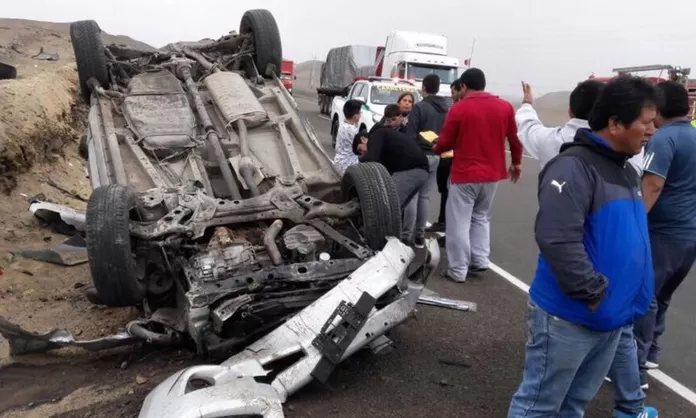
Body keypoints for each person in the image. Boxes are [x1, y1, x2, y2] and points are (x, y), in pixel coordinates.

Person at [507, 75, 659, 418]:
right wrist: (592, 292)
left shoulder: (624, 169)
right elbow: (557, 238)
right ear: (616, 123)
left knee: (575, 404)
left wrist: (633, 297)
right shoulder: (574, 166)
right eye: (646, 123)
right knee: (540, 405)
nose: (652, 131)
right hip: (572, 315)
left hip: (612, 315)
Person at [634, 80, 696, 389]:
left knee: (646, 298)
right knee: (663, 296)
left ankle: (636, 368)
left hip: (662, 233)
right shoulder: (694, 137)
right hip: (689, 235)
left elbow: (653, 185)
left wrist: (634, 222)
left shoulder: (663, 140)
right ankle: (653, 352)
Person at [433, 68, 522, 282]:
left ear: (463, 86)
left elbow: (445, 142)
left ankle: (458, 270)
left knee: (458, 223)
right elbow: (514, 138)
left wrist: (436, 146)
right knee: (481, 217)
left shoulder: (459, 108)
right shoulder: (505, 107)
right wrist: (517, 163)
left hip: (465, 174)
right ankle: (480, 260)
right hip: (492, 175)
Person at [516, 80, 645, 174]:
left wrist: (527, 103)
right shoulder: (626, 147)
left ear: (570, 111)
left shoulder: (550, 141)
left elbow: (528, 125)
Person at [352, 104, 430, 217]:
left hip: (411, 169)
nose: (362, 153)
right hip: (421, 170)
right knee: (397, 211)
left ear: (364, 139)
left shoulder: (376, 135)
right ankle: (402, 234)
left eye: (360, 150)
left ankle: (382, 234)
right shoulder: (385, 139)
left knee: (388, 207)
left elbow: (371, 163)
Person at [403, 74, 449, 247]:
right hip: (437, 156)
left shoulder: (420, 107)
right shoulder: (446, 109)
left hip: (419, 155)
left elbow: (410, 136)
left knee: (412, 196)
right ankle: (419, 236)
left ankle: (406, 236)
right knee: (425, 197)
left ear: (424, 88)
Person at [430, 79, 462, 233]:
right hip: (449, 153)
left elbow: (451, 134)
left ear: (461, 89)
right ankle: (443, 221)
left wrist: (439, 144)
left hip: (450, 155)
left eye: (453, 92)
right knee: (445, 190)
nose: (452, 95)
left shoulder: (458, 109)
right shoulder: (454, 107)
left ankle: (447, 225)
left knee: (448, 190)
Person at [333, 99, 363, 175]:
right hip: (348, 166)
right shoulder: (353, 131)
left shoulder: (343, 124)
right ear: (355, 116)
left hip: (339, 161)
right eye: (360, 113)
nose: (361, 115)